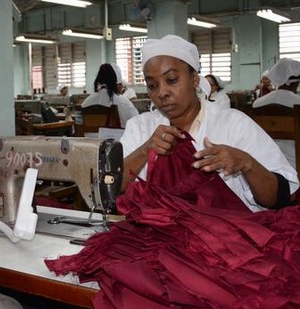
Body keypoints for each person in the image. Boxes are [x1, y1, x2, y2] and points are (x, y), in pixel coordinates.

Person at [120, 34, 298, 212]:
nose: (162, 92)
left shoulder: (233, 124)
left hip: (227, 233)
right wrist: (145, 150)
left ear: (194, 79)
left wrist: (246, 163)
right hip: (158, 233)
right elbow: (110, 187)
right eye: (152, 85)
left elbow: (281, 197)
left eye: (172, 80)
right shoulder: (140, 128)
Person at [81, 63, 139, 128]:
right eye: (120, 85)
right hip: (115, 138)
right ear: (117, 84)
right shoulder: (123, 102)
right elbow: (137, 124)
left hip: (88, 138)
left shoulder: (86, 102)